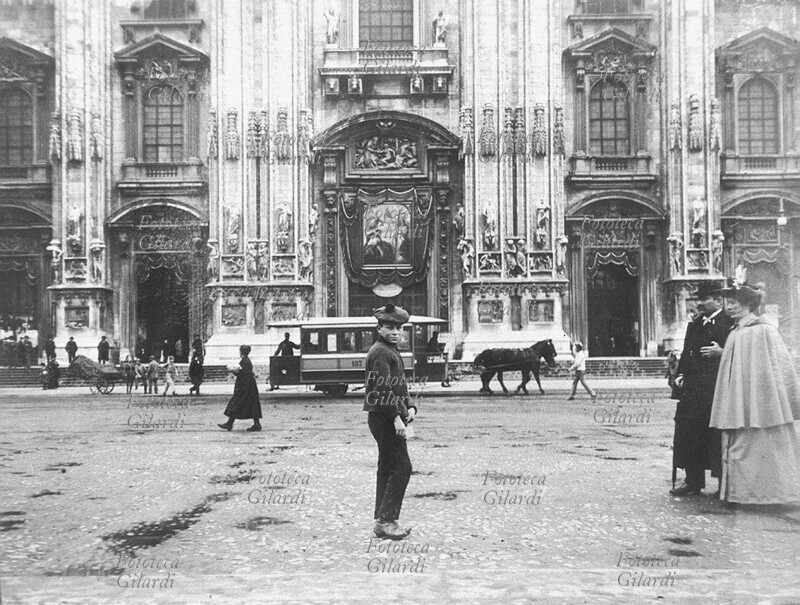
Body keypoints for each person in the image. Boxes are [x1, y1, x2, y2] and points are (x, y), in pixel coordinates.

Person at [710, 281, 800, 505]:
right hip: (740, 400)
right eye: (727, 303)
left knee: (762, 443)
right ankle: (741, 493)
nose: (728, 307)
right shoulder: (737, 331)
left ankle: (767, 494)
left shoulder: (761, 330)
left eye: (733, 303)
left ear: (748, 305)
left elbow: (775, 369)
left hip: (762, 401)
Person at [670, 282, 733, 497]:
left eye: (704, 298)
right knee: (689, 434)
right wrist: (679, 374)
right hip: (693, 390)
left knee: (715, 437)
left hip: (716, 390)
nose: (700, 302)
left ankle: (722, 484)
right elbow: (687, 352)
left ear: (717, 300)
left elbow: (737, 354)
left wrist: (721, 352)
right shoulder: (695, 325)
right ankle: (693, 480)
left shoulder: (729, 323)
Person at [364, 303, 416, 540]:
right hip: (384, 417)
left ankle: (382, 519)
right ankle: (386, 520)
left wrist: (411, 405)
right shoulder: (381, 353)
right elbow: (382, 388)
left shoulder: (389, 350)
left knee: (387, 467)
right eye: (389, 327)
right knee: (402, 467)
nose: (395, 331)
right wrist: (396, 417)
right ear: (379, 328)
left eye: (399, 327)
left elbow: (398, 384)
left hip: (384, 415)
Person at [218, 345, 262, 432]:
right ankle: (256, 423)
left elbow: (243, 373)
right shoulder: (246, 360)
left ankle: (230, 423)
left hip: (245, 386)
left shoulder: (245, 361)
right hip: (249, 385)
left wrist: (234, 371)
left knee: (237, 403)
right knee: (252, 404)